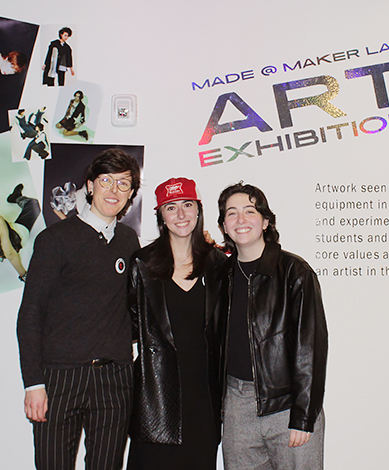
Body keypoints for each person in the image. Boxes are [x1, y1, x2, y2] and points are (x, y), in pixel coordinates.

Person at [17, 149, 142, 470]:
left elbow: (134, 306)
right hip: (60, 378)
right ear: (89, 186)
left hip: (114, 380)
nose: (114, 191)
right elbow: (30, 313)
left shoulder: (130, 241)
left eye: (123, 184)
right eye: (106, 181)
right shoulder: (54, 239)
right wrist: (33, 383)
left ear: (131, 195)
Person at [216, 182, 328, 470]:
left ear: (265, 221)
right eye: (232, 213)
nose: (241, 220)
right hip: (237, 406)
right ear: (224, 226)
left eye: (249, 211)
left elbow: (311, 347)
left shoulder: (294, 271)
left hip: (287, 404)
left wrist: (303, 417)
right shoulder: (220, 277)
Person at [126, 178, 227, 470]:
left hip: (203, 400)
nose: (181, 215)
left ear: (198, 210)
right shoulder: (142, 264)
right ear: (161, 215)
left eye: (187, 205)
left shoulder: (218, 264)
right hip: (155, 397)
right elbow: (125, 326)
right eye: (171, 207)